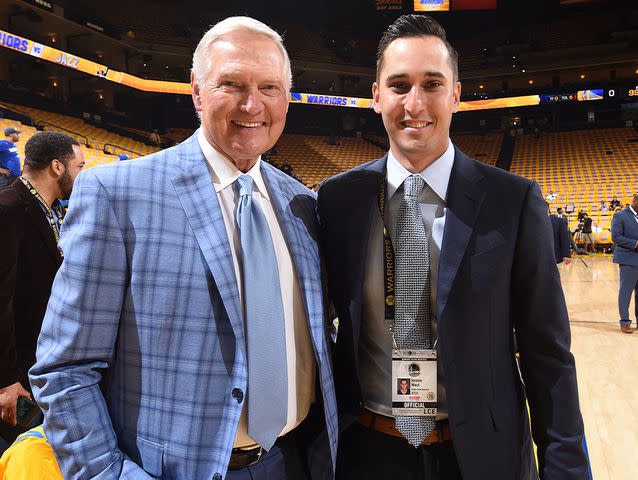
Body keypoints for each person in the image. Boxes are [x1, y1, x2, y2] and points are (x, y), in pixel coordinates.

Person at [30, 17, 337, 480]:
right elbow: (65, 369)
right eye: (231, 84)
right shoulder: (116, 193)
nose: (252, 104)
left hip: (293, 461)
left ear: (286, 97)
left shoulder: (304, 205)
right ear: (196, 91)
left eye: (270, 87)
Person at [318, 14, 588, 479]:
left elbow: (548, 355)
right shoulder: (338, 200)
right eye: (399, 85)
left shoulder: (513, 201)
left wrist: (566, 468)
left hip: (482, 456)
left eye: (432, 84)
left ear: (456, 96)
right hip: (367, 450)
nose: (414, 103)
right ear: (377, 95)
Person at [0, 132, 85, 448]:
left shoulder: (48, 210)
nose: (83, 174)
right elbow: (1, 300)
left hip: (38, 362)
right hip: (15, 373)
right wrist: (6, 379)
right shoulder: (9, 209)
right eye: (79, 166)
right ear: (57, 167)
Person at [611, 194, 638, 334]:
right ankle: (625, 322)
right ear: (634, 200)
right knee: (626, 292)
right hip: (628, 259)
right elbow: (616, 237)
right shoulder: (620, 215)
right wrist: (635, 244)